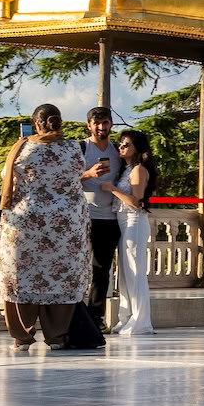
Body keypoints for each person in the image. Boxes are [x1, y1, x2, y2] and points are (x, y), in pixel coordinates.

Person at [0, 104, 90, 351]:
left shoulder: (22, 149)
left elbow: (7, 176)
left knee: (19, 278)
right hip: (66, 224)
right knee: (61, 278)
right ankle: (57, 336)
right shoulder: (73, 149)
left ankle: (22, 338)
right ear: (59, 122)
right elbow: (77, 175)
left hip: (26, 222)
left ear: (36, 124)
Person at [102, 129, 156, 336]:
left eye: (126, 145)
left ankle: (141, 321)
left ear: (137, 149)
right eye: (120, 144)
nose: (121, 147)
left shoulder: (139, 170)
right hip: (123, 222)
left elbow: (136, 202)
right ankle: (126, 317)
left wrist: (112, 189)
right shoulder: (126, 169)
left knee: (135, 271)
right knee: (124, 273)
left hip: (134, 221)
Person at [79, 106, 120, 326]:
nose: (101, 127)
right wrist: (88, 174)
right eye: (97, 123)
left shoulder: (118, 151)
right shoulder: (82, 148)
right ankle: (73, 315)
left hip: (110, 218)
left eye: (105, 123)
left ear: (111, 124)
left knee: (101, 269)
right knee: (77, 266)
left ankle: (95, 318)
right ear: (89, 125)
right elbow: (66, 180)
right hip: (84, 217)